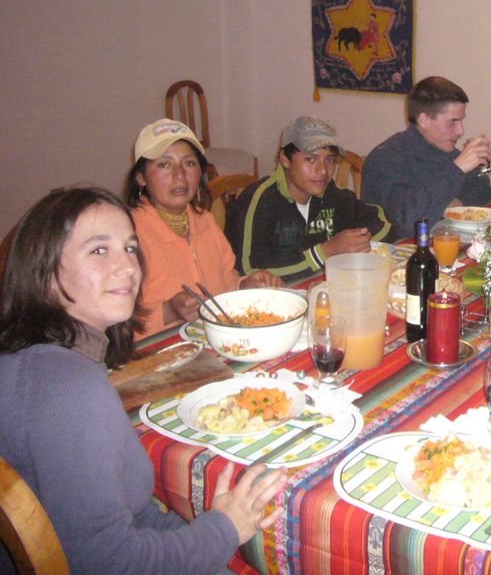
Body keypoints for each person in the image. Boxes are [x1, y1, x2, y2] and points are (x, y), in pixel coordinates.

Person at [0, 187, 287, 575]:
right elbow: (108, 561)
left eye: (130, 248)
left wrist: (210, 533)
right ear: (45, 269)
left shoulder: (38, 359)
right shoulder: (72, 387)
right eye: (99, 250)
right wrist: (224, 529)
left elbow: (131, 520)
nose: (128, 267)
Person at [125, 119, 281, 338]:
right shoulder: (127, 236)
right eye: (164, 165)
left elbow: (226, 280)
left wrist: (245, 285)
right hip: (156, 356)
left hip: (213, 344)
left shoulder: (204, 221)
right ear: (140, 177)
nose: (179, 175)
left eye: (189, 163)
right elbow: (115, 325)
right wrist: (168, 311)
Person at [227, 116, 393, 282]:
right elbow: (248, 271)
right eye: (310, 159)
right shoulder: (259, 201)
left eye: (330, 160)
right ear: (284, 158)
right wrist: (324, 252)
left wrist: (358, 241)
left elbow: (382, 222)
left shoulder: (331, 195)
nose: (323, 171)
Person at [362, 76, 491, 239]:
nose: (461, 131)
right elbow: (411, 225)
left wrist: (453, 208)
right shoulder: (385, 159)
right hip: (395, 254)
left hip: (439, 243)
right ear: (424, 120)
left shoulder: (444, 150)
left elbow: (482, 189)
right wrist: (457, 169)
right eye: (453, 122)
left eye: (461, 121)